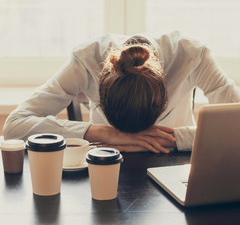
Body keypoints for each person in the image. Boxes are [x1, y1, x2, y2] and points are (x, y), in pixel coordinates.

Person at [3, 31, 240, 153]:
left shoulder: (193, 55)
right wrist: (103, 133)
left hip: (174, 159)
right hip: (106, 157)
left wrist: (175, 138)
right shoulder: (87, 59)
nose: (136, 137)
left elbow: (236, 121)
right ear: (101, 87)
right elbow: (14, 126)